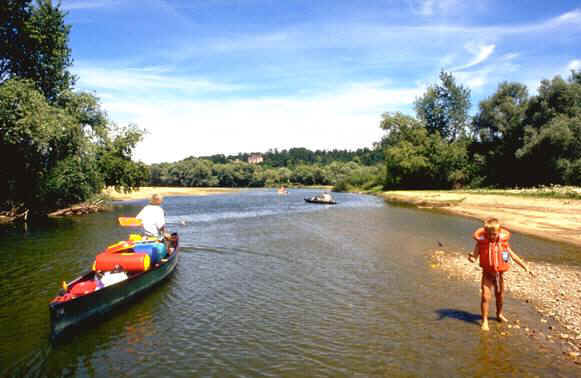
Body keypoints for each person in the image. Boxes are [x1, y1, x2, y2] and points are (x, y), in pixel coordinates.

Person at [468, 217, 534, 331]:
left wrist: (525, 267)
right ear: (485, 233)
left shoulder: (503, 244)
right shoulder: (481, 243)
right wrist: (471, 258)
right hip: (487, 274)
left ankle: (499, 314)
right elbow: (474, 257)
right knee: (485, 297)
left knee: (500, 297)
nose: (491, 236)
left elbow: (513, 256)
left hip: (499, 275)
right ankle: (484, 320)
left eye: (493, 234)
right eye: (488, 234)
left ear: (499, 232)